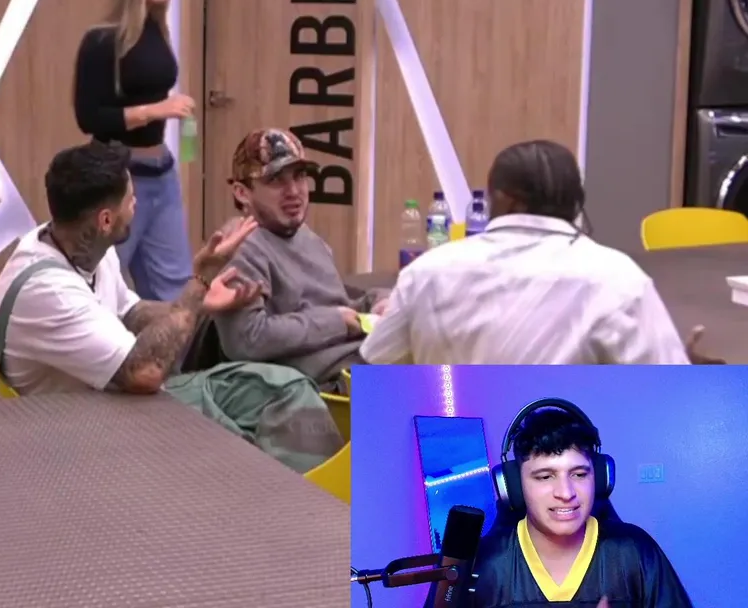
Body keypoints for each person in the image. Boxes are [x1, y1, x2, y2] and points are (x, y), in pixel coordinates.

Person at [361, 139, 704, 365]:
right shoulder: (618, 278)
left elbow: (375, 362)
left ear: (500, 198)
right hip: (568, 453)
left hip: (450, 454)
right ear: (577, 204)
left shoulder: (426, 272)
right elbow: (665, 392)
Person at [0, 140, 260, 395]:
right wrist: (199, 281)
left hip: (96, 403)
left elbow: (129, 313)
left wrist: (199, 304)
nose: (136, 204)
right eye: (130, 199)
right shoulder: (49, 293)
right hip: (58, 424)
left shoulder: (86, 245)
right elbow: (144, 373)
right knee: (256, 392)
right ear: (105, 220)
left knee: (251, 383)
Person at [210, 129, 387, 395]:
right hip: (321, 389)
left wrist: (378, 302)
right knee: (439, 397)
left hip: (361, 363)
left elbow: (334, 308)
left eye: (300, 176)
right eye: (275, 180)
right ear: (242, 193)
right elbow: (246, 340)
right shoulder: (240, 248)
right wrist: (337, 323)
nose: (293, 191)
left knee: (444, 359)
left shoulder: (309, 239)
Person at [72, 0, 195, 302]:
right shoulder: (101, 41)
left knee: (175, 289)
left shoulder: (157, 30)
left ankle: (170, 344)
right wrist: (155, 111)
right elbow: (90, 117)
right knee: (99, 286)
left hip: (162, 173)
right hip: (119, 177)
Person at [470, 400, 692, 607]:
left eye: (579, 474)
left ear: (599, 479)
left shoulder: (635, 552)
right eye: (545, 477)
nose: (566, 493)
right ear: (514, 487)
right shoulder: (483, 564)